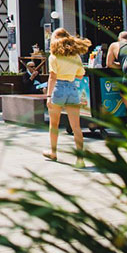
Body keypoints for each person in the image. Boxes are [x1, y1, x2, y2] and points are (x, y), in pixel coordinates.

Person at [44, 28, 91, 167]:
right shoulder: (76, 57)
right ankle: (80, 158)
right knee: (76, 126)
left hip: (58, 88)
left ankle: (53, 152)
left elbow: (52, 77)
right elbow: (81, 75)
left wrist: (48, 95)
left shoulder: (53, 56)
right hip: (72, 88)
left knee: (54, 125)